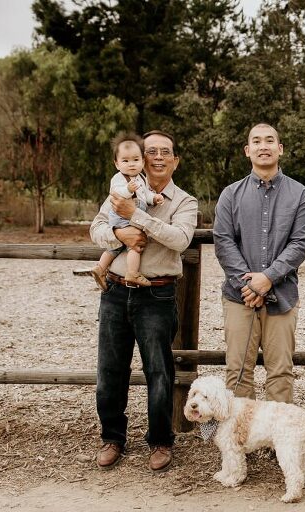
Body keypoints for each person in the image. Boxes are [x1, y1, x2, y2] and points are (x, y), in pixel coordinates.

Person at [89, 130, 198, 473]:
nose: (158, 157)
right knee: (110, 370)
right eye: (152, 151)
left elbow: (179, 240)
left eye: (166, 151)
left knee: (159, 372)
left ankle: (161, 441)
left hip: (157, 293)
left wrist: (135, 216)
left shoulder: (184, 201)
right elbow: (97, 228)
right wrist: (118, 232)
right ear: (143, 157)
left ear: (175, 160)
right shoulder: (121, 190)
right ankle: (112, 438)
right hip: (116, 290)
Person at [213, 123, 305, 404]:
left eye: (270, 141)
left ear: (280, 149)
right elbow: (223, 242)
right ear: (248, 151)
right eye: (256, 141)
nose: (263, 146)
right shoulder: (230, 195)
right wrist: (249, 284)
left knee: (280, 372)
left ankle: (278, 441)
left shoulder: (300, 195)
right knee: (238, 372)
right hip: (239, 297)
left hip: (282, 295)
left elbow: (300, 243)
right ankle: (240, 439)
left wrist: (268, 278)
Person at [90, 132, 165, 290]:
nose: (131, 164)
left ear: (143, 161)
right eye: (125, 160)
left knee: (115, 247)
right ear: (117, 164)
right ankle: (132, 272)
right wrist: (128, 189)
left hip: (133, 214)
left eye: (136, 160)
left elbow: (145, 195)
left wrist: (154, 198)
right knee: (134, 245)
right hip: (122, 217)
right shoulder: (119, 179)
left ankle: (100, 268)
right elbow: (117, 194)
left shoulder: (141, 178)